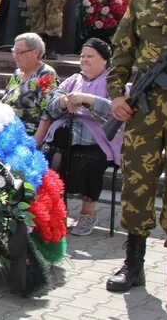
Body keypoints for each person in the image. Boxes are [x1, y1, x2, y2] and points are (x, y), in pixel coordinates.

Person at [105, 0, 167, 303]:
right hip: (144, 108)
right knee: (137, 182)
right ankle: (133, 265)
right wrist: (116, 99)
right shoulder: (141, 3)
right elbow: (120, 55)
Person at [39, 38, 121, 236]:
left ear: (104, 60)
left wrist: (88, 100)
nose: (84, 60)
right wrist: (64, 102)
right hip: (66, 133)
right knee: (50, 156)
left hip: (97, 136)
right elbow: (50, 105)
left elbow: (118, 110)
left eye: (90, 56)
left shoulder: (112, 81)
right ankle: (57, 211)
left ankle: (88, 212)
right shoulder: (74, 79)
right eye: (82, 56)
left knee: (89, 160)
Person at [1, 33, 59, 138]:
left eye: (20, 52)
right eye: (14, 51)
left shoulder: (46, 74)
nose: (15, 56)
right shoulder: (17, 73)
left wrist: (35, 144)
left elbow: (47, 115)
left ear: (35, 52)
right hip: (6, 131)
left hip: (27, 135)